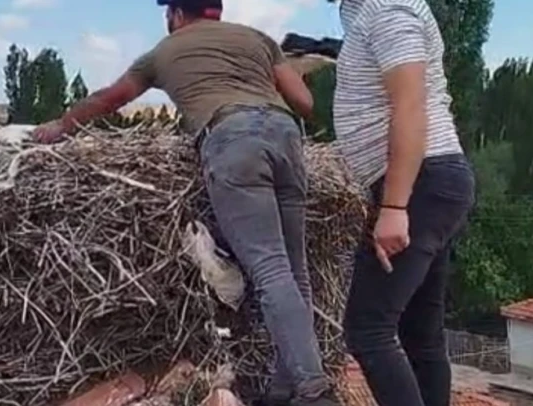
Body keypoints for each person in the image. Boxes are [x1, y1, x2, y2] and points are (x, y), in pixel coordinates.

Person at [33, 1, 340, 405]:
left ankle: (313, 390)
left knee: (269, 268)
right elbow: (304, 102)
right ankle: (286, 389)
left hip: (232, 138)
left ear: (176, 14)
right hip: (285, 135)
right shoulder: (257, 39)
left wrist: (60, 125)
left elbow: (110, 99)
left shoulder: (164, 51)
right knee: (294, 272)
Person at [333, 0, 476, 405]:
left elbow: (409, 103)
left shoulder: (388, 8)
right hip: (429, 181)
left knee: (367, 328)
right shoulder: (365, 12)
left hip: (417, 184)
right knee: (420, 334)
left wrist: (395, 206)